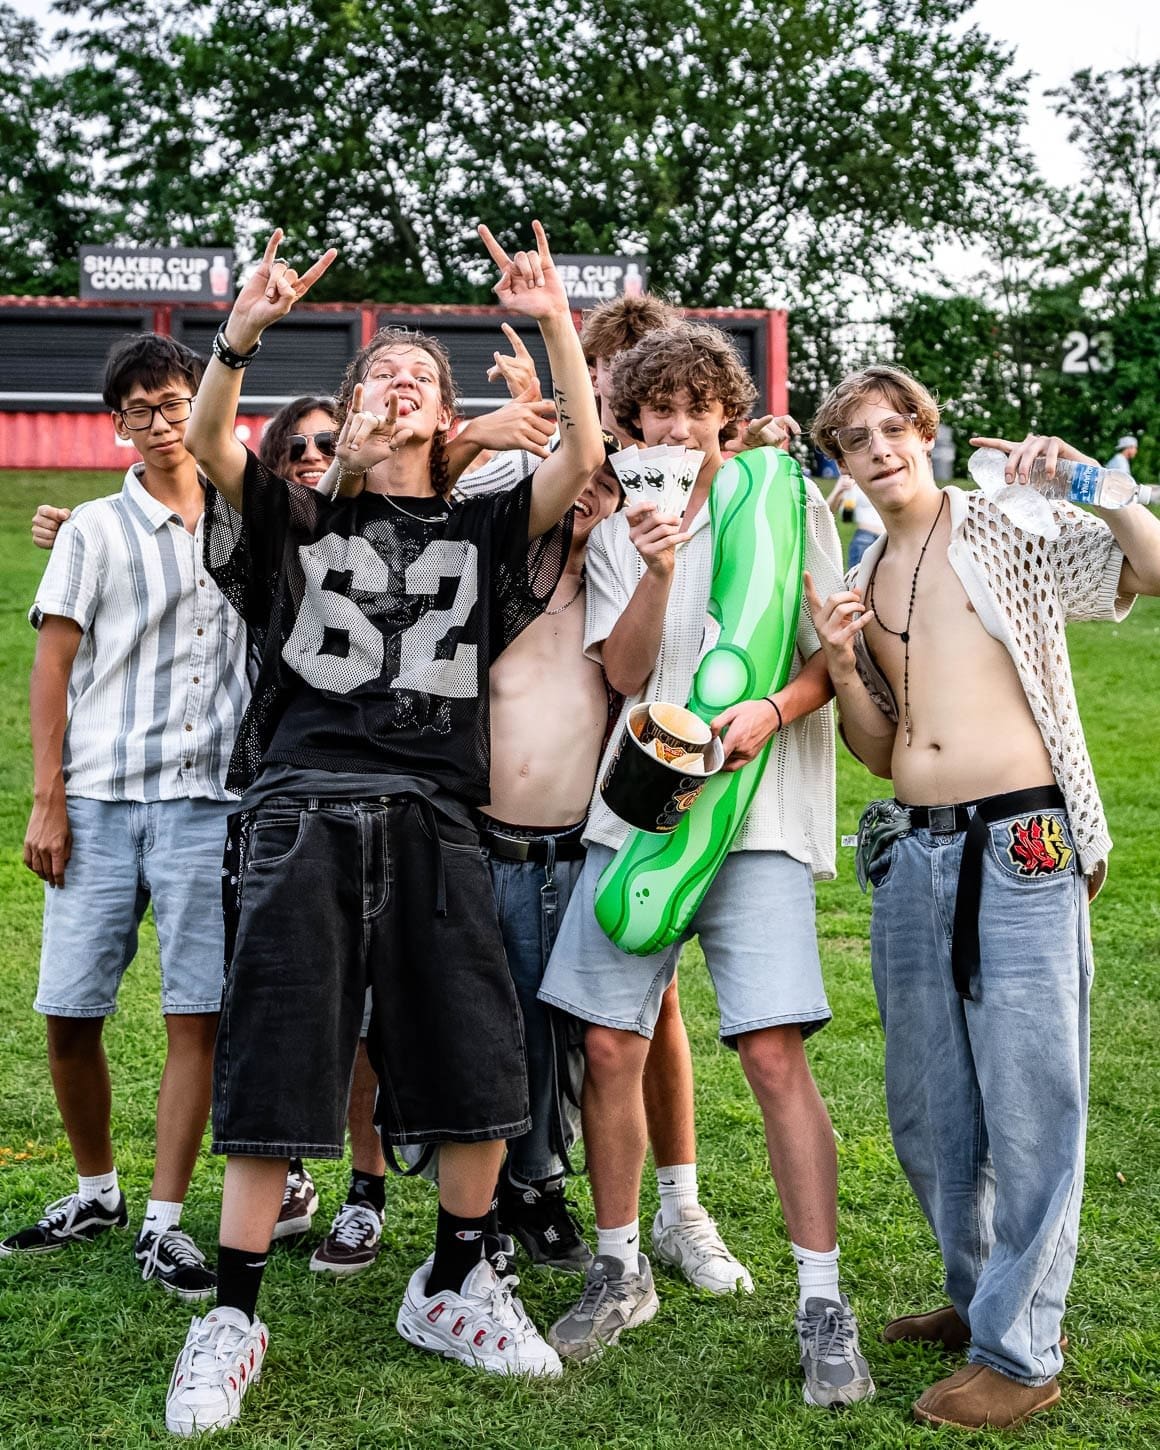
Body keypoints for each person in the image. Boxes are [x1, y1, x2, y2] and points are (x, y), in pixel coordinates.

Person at [161, 221, 603, 1436]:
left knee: (476, 1055)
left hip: (437, 817)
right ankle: (234, 1311)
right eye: (376, 377)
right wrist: (242, 333)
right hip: (301, 810)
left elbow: (583, 455)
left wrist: (557, 318)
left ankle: (455, 1277)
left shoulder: (478, 528)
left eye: (421, 377)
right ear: (346, 413)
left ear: (444, 421)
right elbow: (209, 441)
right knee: (281, 1047)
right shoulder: (292, 521)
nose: (398, 383)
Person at [805, 365, 1160, 1429]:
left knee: (1030, 1103)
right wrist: (839, 661)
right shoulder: (866, 575)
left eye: (891, 428)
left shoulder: (1005, 525)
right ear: (842, 463)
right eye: (854, 439)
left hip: (1021, 842)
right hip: (912, 851)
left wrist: (1111, 497)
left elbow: (1146, 571)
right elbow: (878, 746)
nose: (877, 449)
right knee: (929, 1117)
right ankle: (975, 1300)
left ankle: (1021, 1349)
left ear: (924, 432)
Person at [538, 321, 875, 1408]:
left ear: (725, 411)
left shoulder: (785, 499)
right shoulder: (616, 528)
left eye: (694, 405)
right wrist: (654, 565)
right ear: (632, 422)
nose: (676, 425)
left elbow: (833, 655)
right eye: (655, 410)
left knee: (773, 1054)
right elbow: (624, 670)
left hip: (759, 812)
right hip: (636, 814)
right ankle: (619, 1263)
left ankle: (822, 1301)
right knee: (603, 1042)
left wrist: (770, 711)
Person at [473, 298, 752, 1288]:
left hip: (645, 790)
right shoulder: (552, 480)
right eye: (613, 374)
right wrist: (494, 424)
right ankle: (531, 1189)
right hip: (550, 801)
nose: (637, 404)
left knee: (648, 1010)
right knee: (534, 1011)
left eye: (653, 383)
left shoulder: (721, 496)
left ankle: (676, 1207)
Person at [2, 334, 252, 1305]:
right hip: (101, 800)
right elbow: (52, 666)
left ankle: (162, 1222)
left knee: (198, 1013)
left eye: (176, 403)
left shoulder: (247, 521)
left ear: (206, 407)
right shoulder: (92, 532)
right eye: (141, 409)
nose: (160, 422)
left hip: (204, 803)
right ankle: (95, 1190)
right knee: (70, 1011)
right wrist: (47, 799)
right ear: (117, 423)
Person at [826, 473, 885, 569]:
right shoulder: (850, 477)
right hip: (865, 538)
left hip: (891, 540)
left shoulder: (891, 474)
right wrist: (838, 490)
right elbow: (826, 512)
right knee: (857, 581)